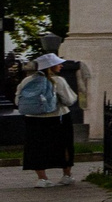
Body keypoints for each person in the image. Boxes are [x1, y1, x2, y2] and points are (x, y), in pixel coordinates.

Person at [17, 53, 77, 186]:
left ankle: (42, 179)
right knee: (64, 146)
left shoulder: (27, 81)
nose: (61, 65)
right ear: (51, 67)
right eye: (58, 63)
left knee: (36, 147)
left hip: (33, 119)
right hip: (58, 118)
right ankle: (66, 175)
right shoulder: (58, 81)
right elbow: (69, 100)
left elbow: (17, 99)